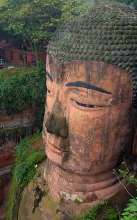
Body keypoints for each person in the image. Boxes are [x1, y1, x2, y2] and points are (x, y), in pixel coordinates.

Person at [44, 4, 137, 202]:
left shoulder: (123, 204)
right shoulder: (30, 186)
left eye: (84, 102)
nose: (51, 125)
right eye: (49, 90)